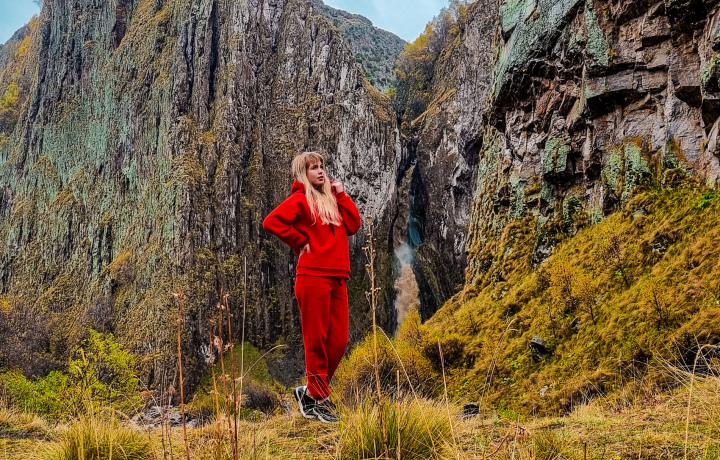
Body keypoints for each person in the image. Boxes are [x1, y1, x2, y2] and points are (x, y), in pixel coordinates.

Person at [262, 151, 361, 423]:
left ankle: (311, 393)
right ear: (302, 174)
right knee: (316, 340)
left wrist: (341, 194)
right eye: (313, 168)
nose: (320, 171)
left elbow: (353, 225)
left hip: (338, 277)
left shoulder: (332, 200)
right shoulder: (300, 199)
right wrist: (299, 240)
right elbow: (271, 222)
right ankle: (318, 400)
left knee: (339, 341)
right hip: (312, 276)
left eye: (321, 166)